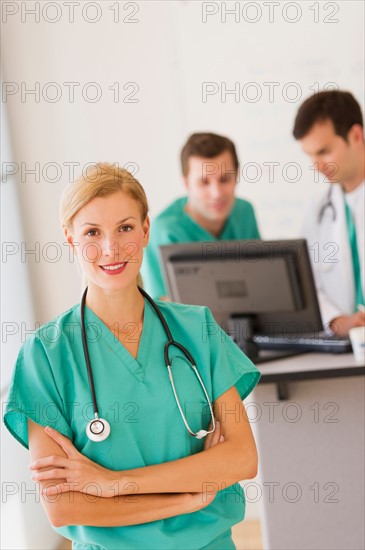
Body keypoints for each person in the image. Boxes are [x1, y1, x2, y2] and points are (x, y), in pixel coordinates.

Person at [4, 163, 260, 550]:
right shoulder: (45, 356)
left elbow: (242, 457)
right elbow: (64, 507)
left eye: (124, 228)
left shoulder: (196, 330)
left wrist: (111, 486)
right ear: (70, 238)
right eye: (92, 232)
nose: (111, 249)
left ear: (144, 230)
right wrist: (185, 496)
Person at [141, 133, 260, 299]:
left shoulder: (245, 212)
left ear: (237, 176)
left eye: (225, 179)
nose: (216, 194)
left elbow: (258, 279)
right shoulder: (164, 231)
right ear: (186, 183)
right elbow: (164, 307)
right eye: (204, 182)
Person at [293, 90, 365, 336]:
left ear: (356, 135)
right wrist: (336, 320)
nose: (317, 166)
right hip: (346, 348)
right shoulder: (318, 210)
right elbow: (307, 284)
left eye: (324, 151)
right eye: (310, 155)